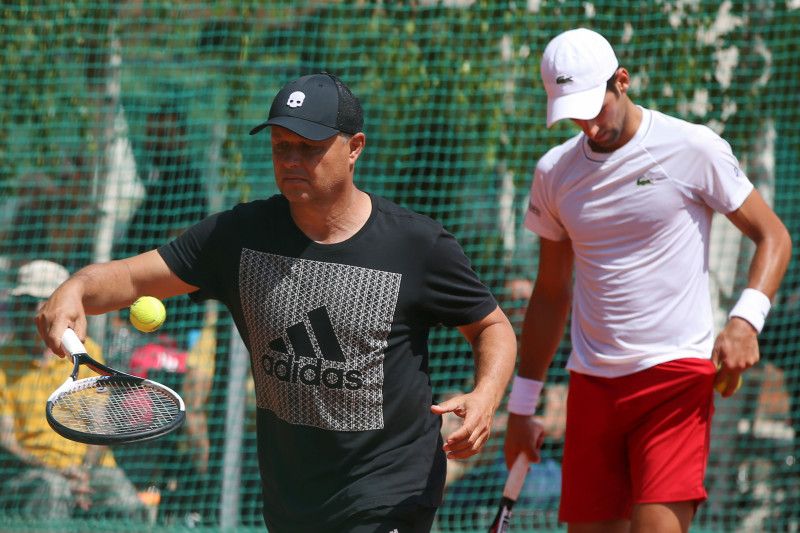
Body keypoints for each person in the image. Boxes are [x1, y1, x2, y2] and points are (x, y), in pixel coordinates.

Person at [36, 72, 517, 533]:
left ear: (354, 149)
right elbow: (127, 278)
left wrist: (485, 397)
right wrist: (75, 288)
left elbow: (492, 327)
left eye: (309, 148)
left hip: (390, 489)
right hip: (292, 499)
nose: (291, 159)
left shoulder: (417, 245)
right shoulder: (238, 237)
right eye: (281, 147)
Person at [502, 28, 792, 533]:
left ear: (623, 81)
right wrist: (521, 407)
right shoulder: (553, 173)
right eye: (574, 112)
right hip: (592, 388)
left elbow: (774, 236)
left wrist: (746, 321)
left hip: (675, 380)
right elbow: (551, 294)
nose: (589, 125)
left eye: (596, 106)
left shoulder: (693, 147)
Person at [0, 260, 144, 521]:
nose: (34, 309)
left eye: (44, 301)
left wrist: (83, 472)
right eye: (27, 301)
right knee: (52, 489)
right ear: (14, 305)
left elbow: (98, 427)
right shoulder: (2, 363)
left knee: (125, 499)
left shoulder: (89, 354)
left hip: (91, 470)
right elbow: (6, 440)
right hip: (29, 473)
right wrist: (58, 473)